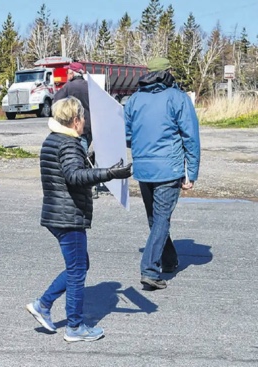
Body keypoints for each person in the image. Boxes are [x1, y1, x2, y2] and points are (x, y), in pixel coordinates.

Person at [25, 97, 131, 342]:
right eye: (83, 117)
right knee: (77, 270)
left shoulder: (52, 139)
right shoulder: (70, 144)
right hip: (68, 215)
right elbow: (74, 176)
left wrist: (94, 162)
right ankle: (74, 326)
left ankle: (43, 305)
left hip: (56, 212)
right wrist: (109, 174)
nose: (85, 121)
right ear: (75, 121)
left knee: (79, 265)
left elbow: (69, 171)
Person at [125, 57, 200, 290]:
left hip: (144, 168)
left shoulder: (134, 99)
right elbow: (191, 136)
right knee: (160, 219)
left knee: (155, 219)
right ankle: (149, 269)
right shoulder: (178, 98)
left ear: (148, 73)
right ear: (169, 72)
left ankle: (169, 260)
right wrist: (192, 172)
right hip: (170, 168)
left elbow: (127, 136)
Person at [53, 62, 91, 153]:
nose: (67, 75)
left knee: (77, 155)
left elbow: (56, 102)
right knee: (83, 152)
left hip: (73, 126)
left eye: (68, 72)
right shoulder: (90, 86)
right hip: (88, 127)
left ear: (72, 73)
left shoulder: (68, 86)